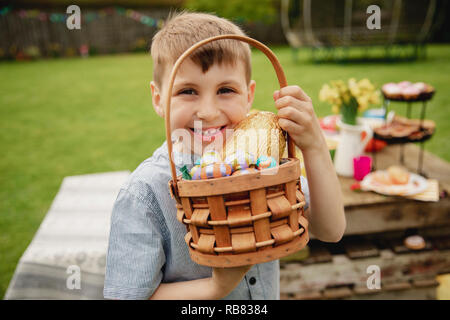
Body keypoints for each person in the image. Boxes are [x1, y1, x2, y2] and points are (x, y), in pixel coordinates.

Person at [103, 11, 345, 300]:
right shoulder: (145, 193)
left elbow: (330, 229)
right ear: (159, 99)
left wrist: (315, 146)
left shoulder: (264, 164)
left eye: (226, 90)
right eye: (188, 91)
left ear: (249, 95)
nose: (208, 111)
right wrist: (216, 287)